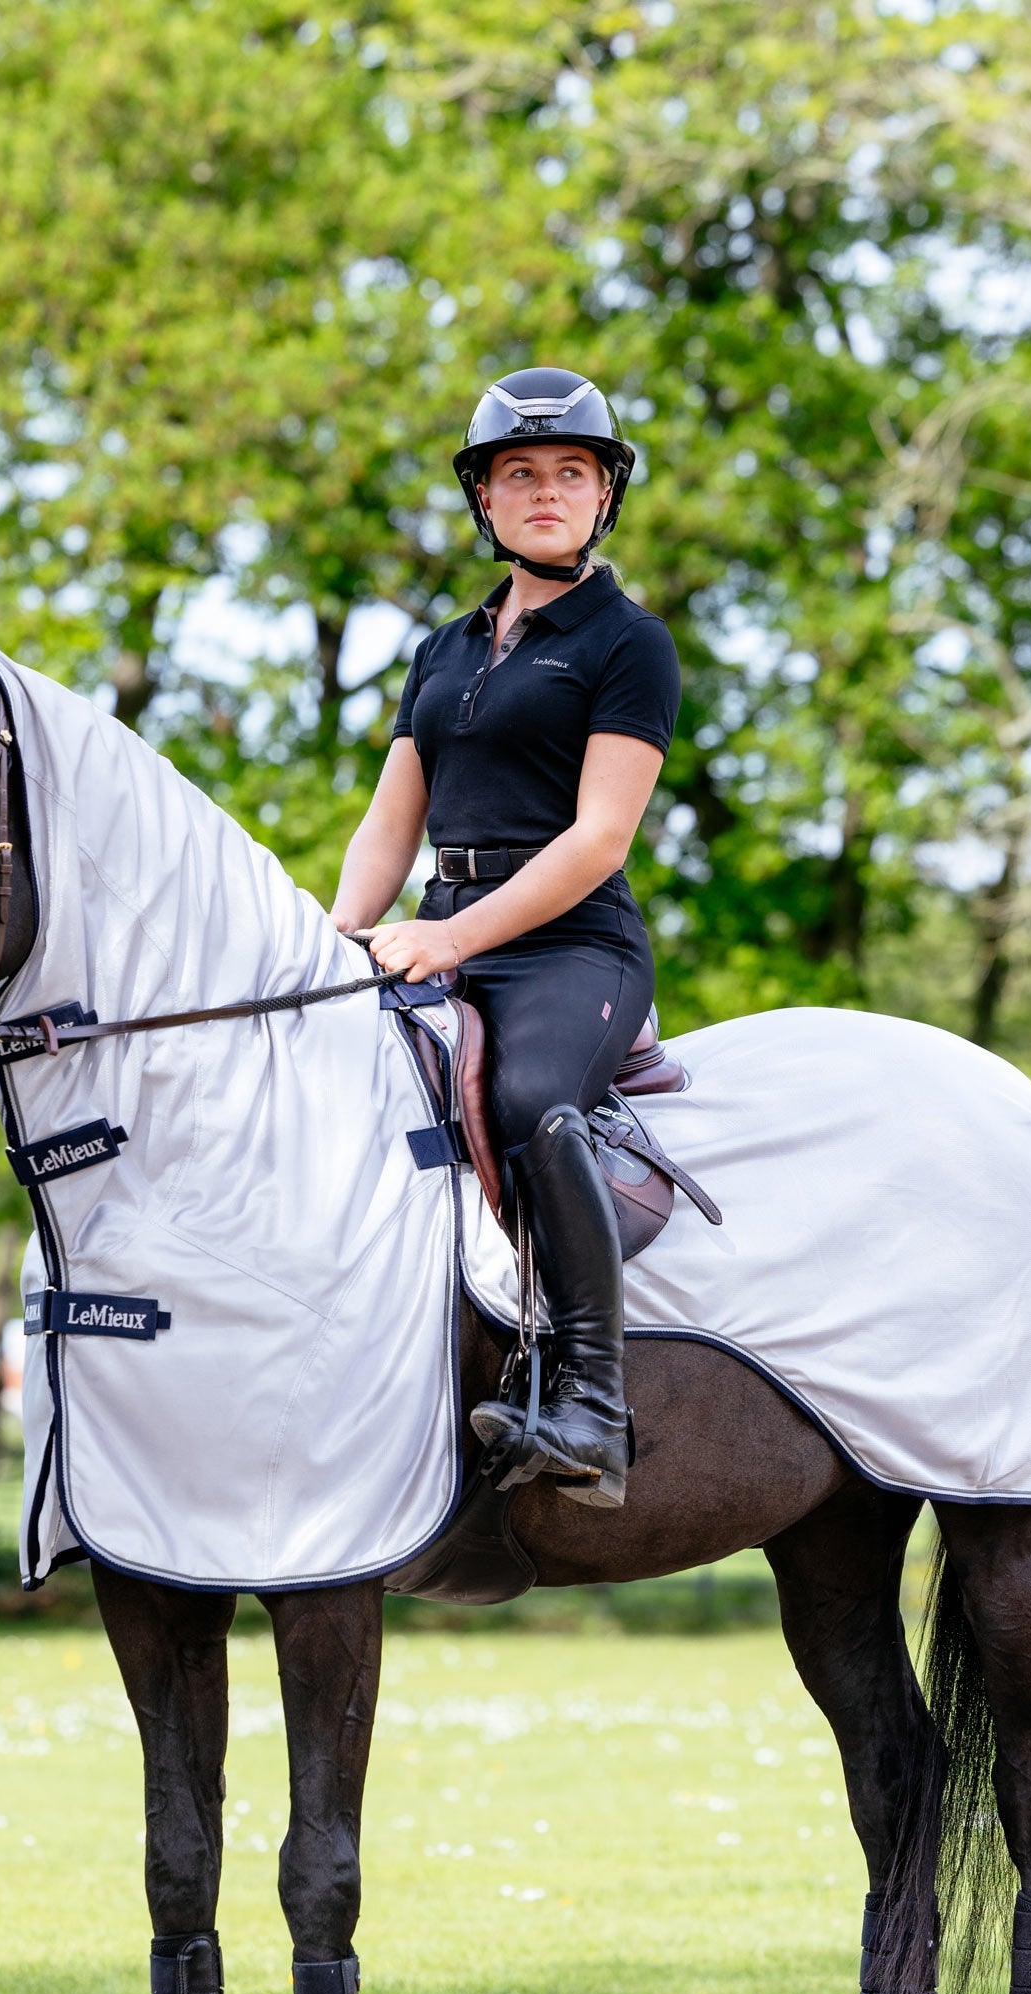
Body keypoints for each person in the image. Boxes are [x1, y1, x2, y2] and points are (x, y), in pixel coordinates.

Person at [331, 368, 681, 1507]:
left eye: (570, 475)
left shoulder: (629, 644)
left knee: (532, 1100)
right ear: (483, 501)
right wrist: (331, 944)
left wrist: (450, 940)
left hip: (573, 946)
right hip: (444, 926)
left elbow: (598, 841)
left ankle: (591, 1402)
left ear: (602, 499)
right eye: (519, 475)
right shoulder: (441, 651)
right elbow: (392, 826)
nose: (545, 493)